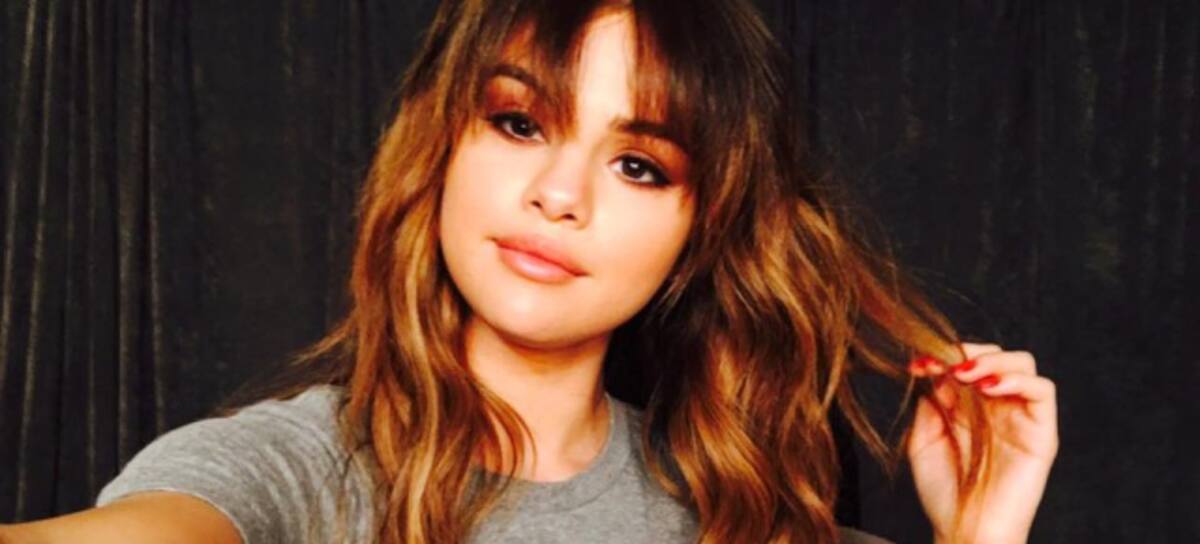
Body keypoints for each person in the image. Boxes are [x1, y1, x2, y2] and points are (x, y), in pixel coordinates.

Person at [0, 0, 1058, 542]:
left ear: (701, 229)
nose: (560, 193)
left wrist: (980, 538)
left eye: (640, 165)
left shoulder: (744, 512)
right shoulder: (287, 471)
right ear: (442, 145)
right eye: (519, 121)